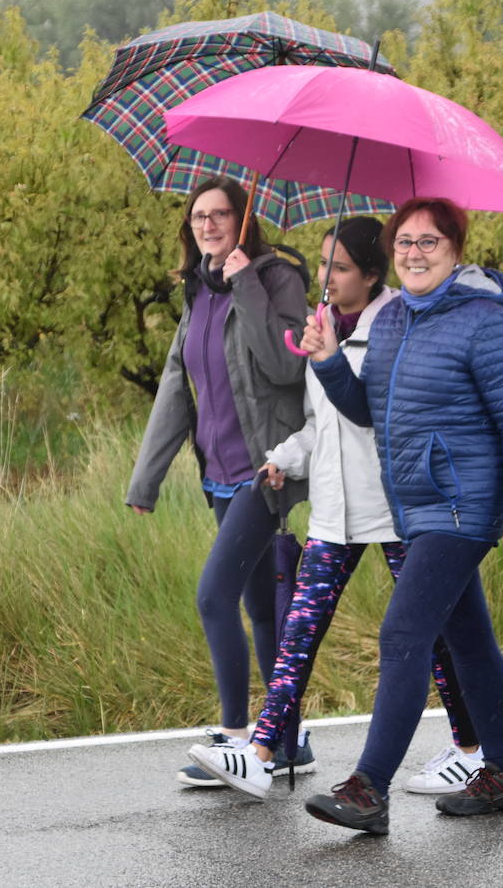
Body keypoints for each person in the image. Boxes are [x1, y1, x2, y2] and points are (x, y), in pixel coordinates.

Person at [184, 217, 485, 799]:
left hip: (396, 508)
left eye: (340, 267)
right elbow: (321, 424)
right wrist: (286, 457)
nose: (325, 276)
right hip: (333, 513)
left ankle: (471, 750)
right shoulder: (323, 326)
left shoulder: (400, 324)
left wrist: (334, 361)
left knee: (437, 635)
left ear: (374, 275)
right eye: (323, 263)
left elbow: (378, 415)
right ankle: (262, 752)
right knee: (300, 630)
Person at [298, 197, 503, 832]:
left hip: (464, 504)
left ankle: (368, 789)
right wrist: (327, 360)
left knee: (403, 633)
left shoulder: (484, 321)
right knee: (467, 639)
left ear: (455, 249)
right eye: (403, 242)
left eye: (428, 242)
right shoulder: (390, 322)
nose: (413, 253)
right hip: (418, 504)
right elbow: (368, 410)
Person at [125, 176, 310, 786]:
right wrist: (145, 481)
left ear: (242, 220)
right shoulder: (197, 292)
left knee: (213, 595)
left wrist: (246, 281)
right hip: (218, 474)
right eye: (198, 217)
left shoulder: (275, 276)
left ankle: (237, 734)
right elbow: (178, 385)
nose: (208, 225)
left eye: (220, 214)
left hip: (266, 469)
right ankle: (285, 738)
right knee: (258, 605)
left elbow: (284, 365)